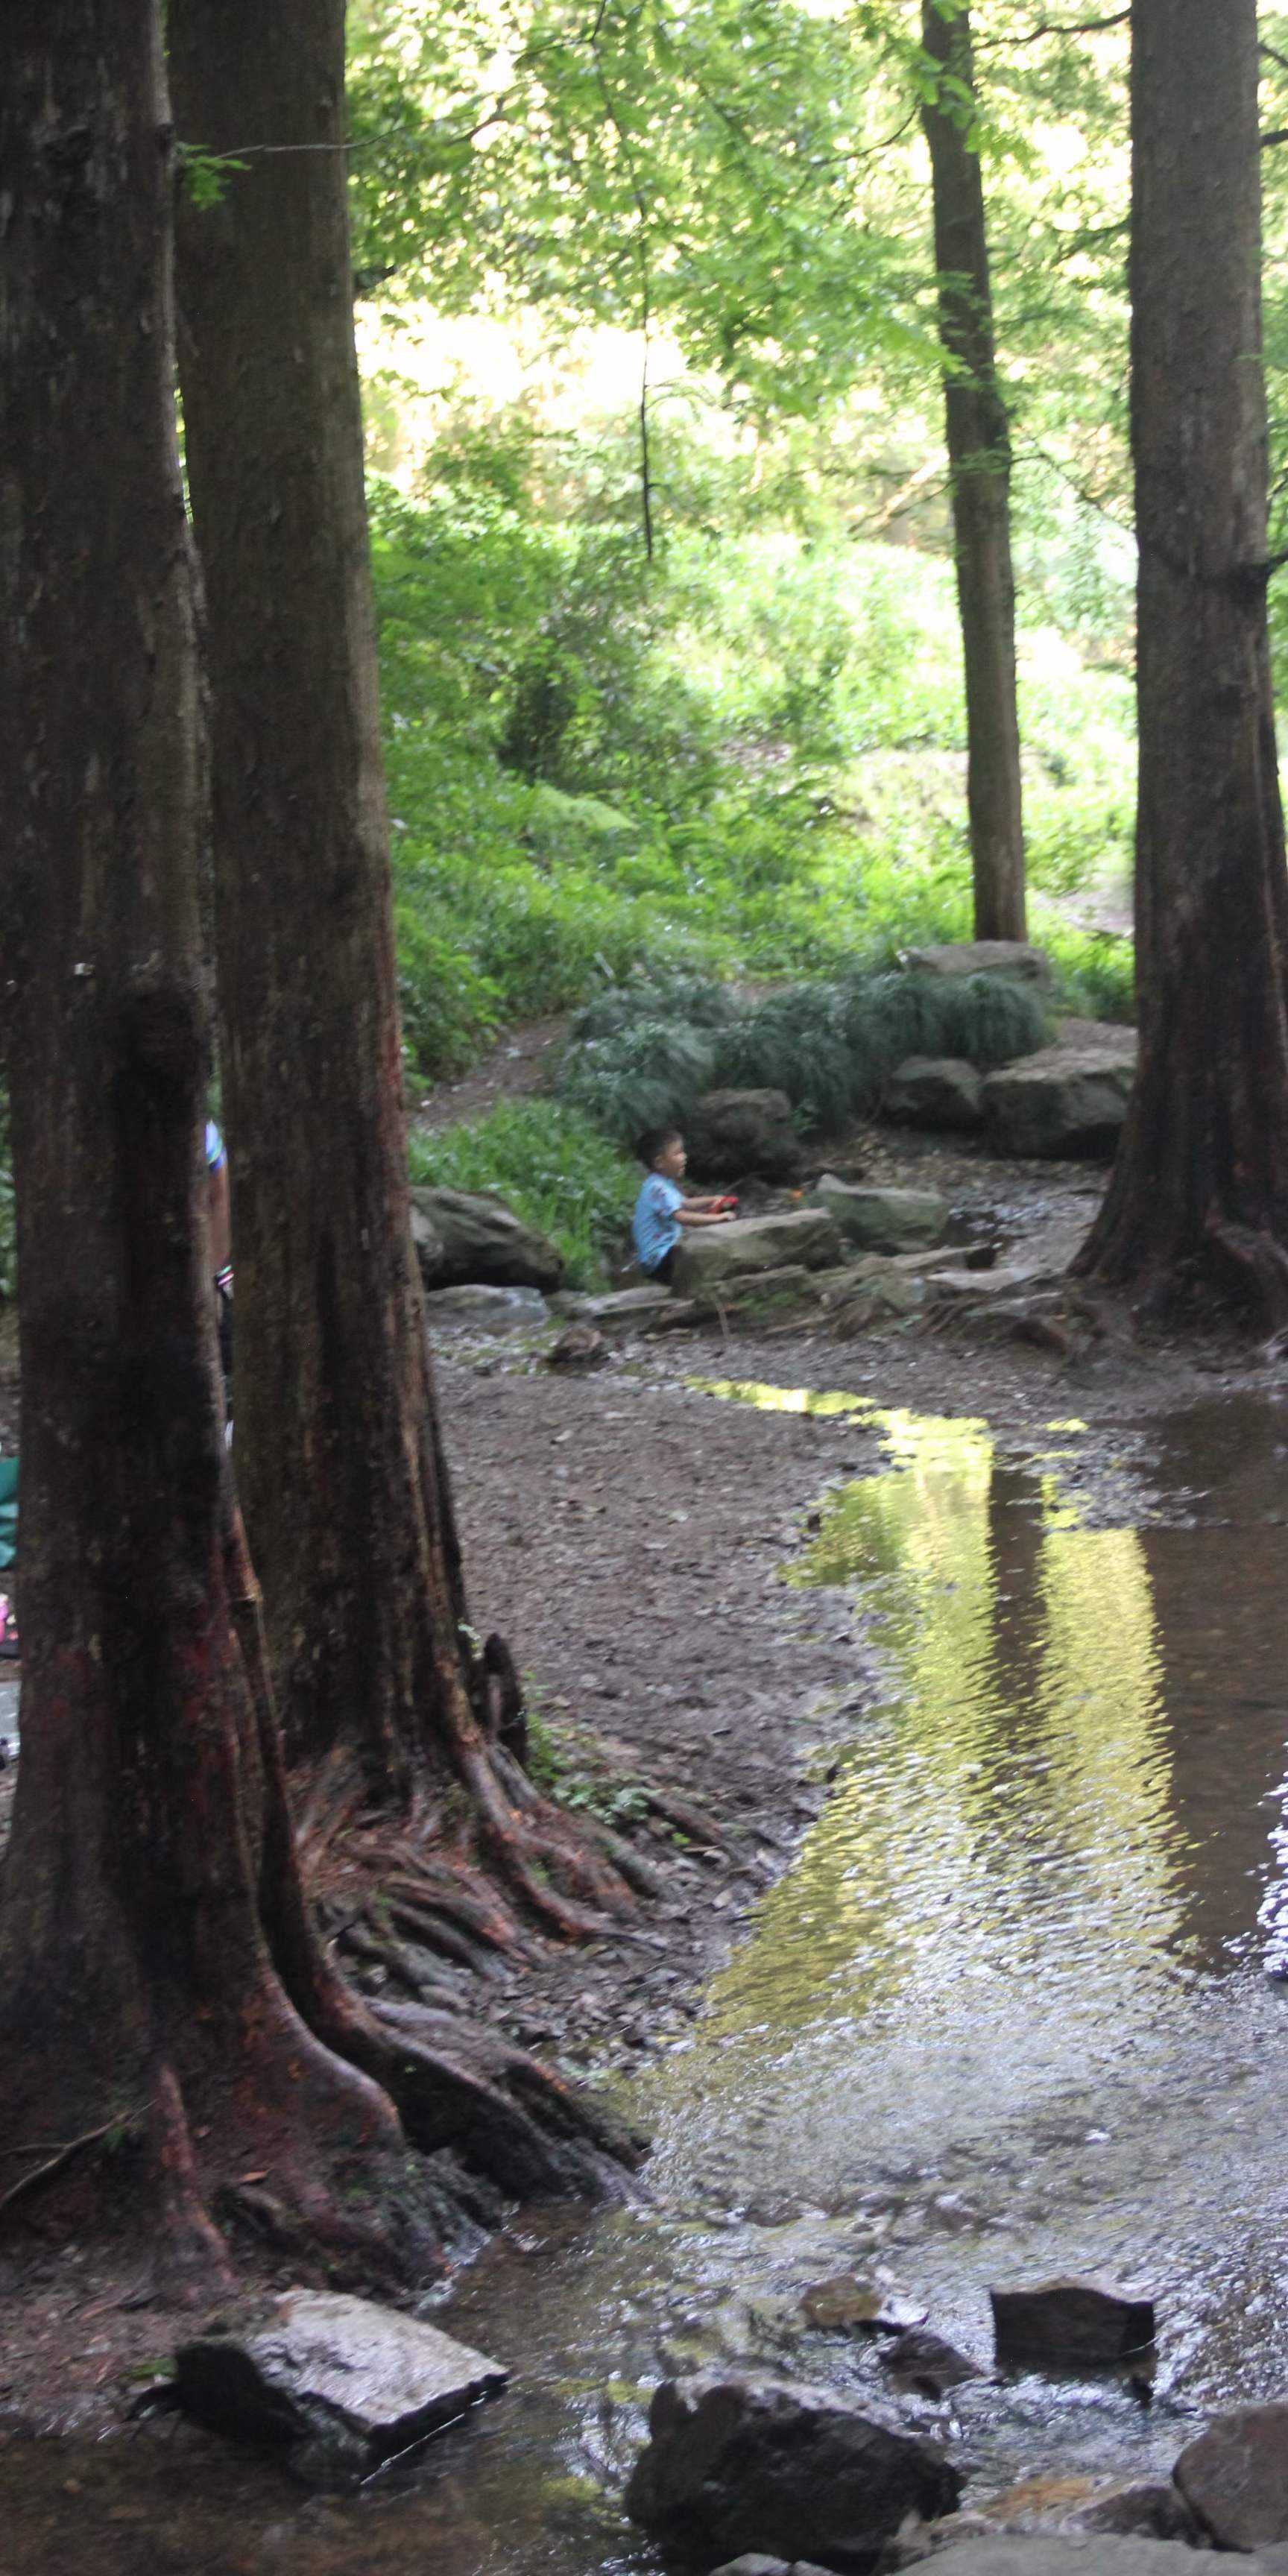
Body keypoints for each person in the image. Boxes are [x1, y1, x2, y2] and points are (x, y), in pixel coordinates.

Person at [633, 1127, 734, 1284]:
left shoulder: (661, 1184)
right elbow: (681, 1216)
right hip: (661, 1262)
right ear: (660, 1162)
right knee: (710, 1255)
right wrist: (719, 1218)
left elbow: (685, 1204)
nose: (684, 1157)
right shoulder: (658, 1189)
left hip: (662, 1259)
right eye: (678, 1153)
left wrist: (712, 1200)